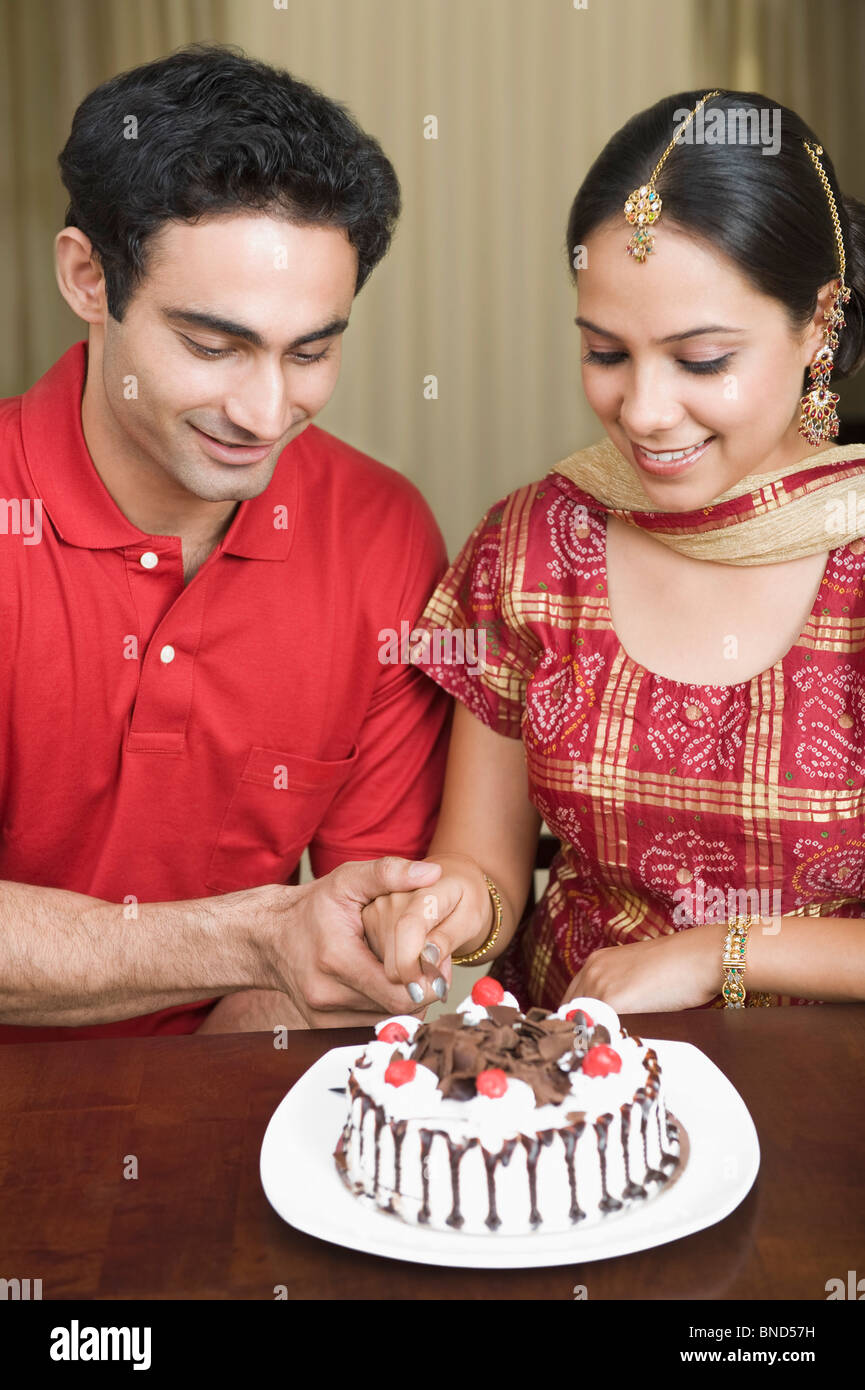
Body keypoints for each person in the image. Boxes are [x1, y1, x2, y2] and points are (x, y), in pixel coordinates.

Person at [362, 89, 865, 1014]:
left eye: (701, 360)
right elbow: (484, 867)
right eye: (605, 353)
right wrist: (443, 911)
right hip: (574, 1098)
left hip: (825, 1106)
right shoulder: (533, 544)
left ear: (819, 324)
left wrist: (724, 951)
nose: (643, 411)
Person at [0, 43, 453, 1041]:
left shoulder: (380, 533)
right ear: (86, 276)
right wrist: (251, 937)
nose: (262, 411)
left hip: (236, 1099)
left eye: (311, 351)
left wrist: (189, 1151)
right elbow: (281, 937)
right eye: (213, 345)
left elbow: (353, 931)